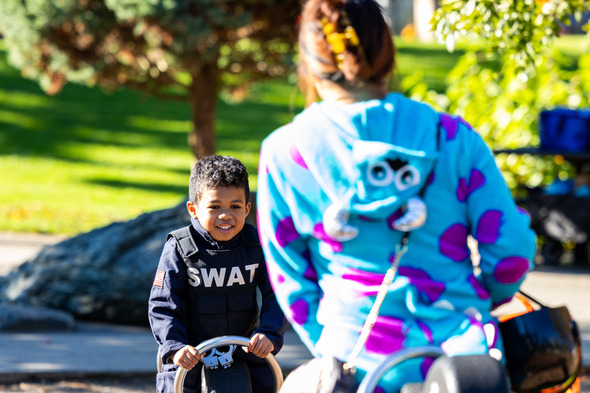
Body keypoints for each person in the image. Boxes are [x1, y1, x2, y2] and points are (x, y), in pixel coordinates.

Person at [255, 0, 537, 391]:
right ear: (387, 54)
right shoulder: (451, 138)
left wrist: (328, 336)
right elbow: (511, 251)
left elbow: (288, 275)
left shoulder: (285, 153)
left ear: (310, 63)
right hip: (461, 361)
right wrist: (472, 303)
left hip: (352, 363)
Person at [149, 155, 287, 393]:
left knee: (268, 381)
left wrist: (268, 333)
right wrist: (174, 346)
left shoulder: (256, 244)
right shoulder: (180, 248)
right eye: (214, 207)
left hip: (244, 346)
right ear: (193, 209)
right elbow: (163, 304)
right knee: (176, 383)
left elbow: (278, 291)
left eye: (235, 206)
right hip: (190, 350)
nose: (226, 215)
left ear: (247, 208)